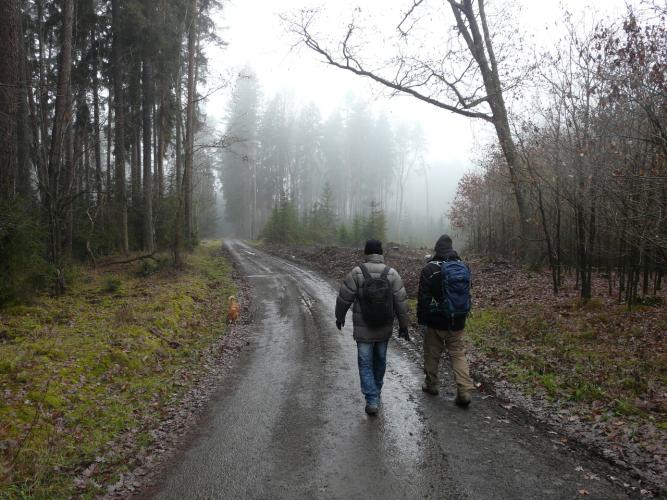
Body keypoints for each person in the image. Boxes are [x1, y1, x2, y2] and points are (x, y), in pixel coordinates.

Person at [335, 239, 410, 415]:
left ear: (366, 252)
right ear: (381, 253)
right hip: (384, 327)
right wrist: (404, 325)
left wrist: (339, 316)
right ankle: (377, 390)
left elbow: (344, 298)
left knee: (365, 363)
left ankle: (372, 399)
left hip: (364, 328)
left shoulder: (357, 272)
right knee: (380, 360)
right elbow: (401, 302)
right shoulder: (392, 273)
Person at [417, 234, 474, 407]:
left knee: (432, 353)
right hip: (458, 320)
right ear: (451, 248)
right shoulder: (463, 266)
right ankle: (464, 391)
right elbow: (467, 292)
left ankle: (431, 385)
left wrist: (422, 320)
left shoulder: (429, 269)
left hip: (435, 321)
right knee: (458, 354)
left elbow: (423, 298)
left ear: (436, 249)